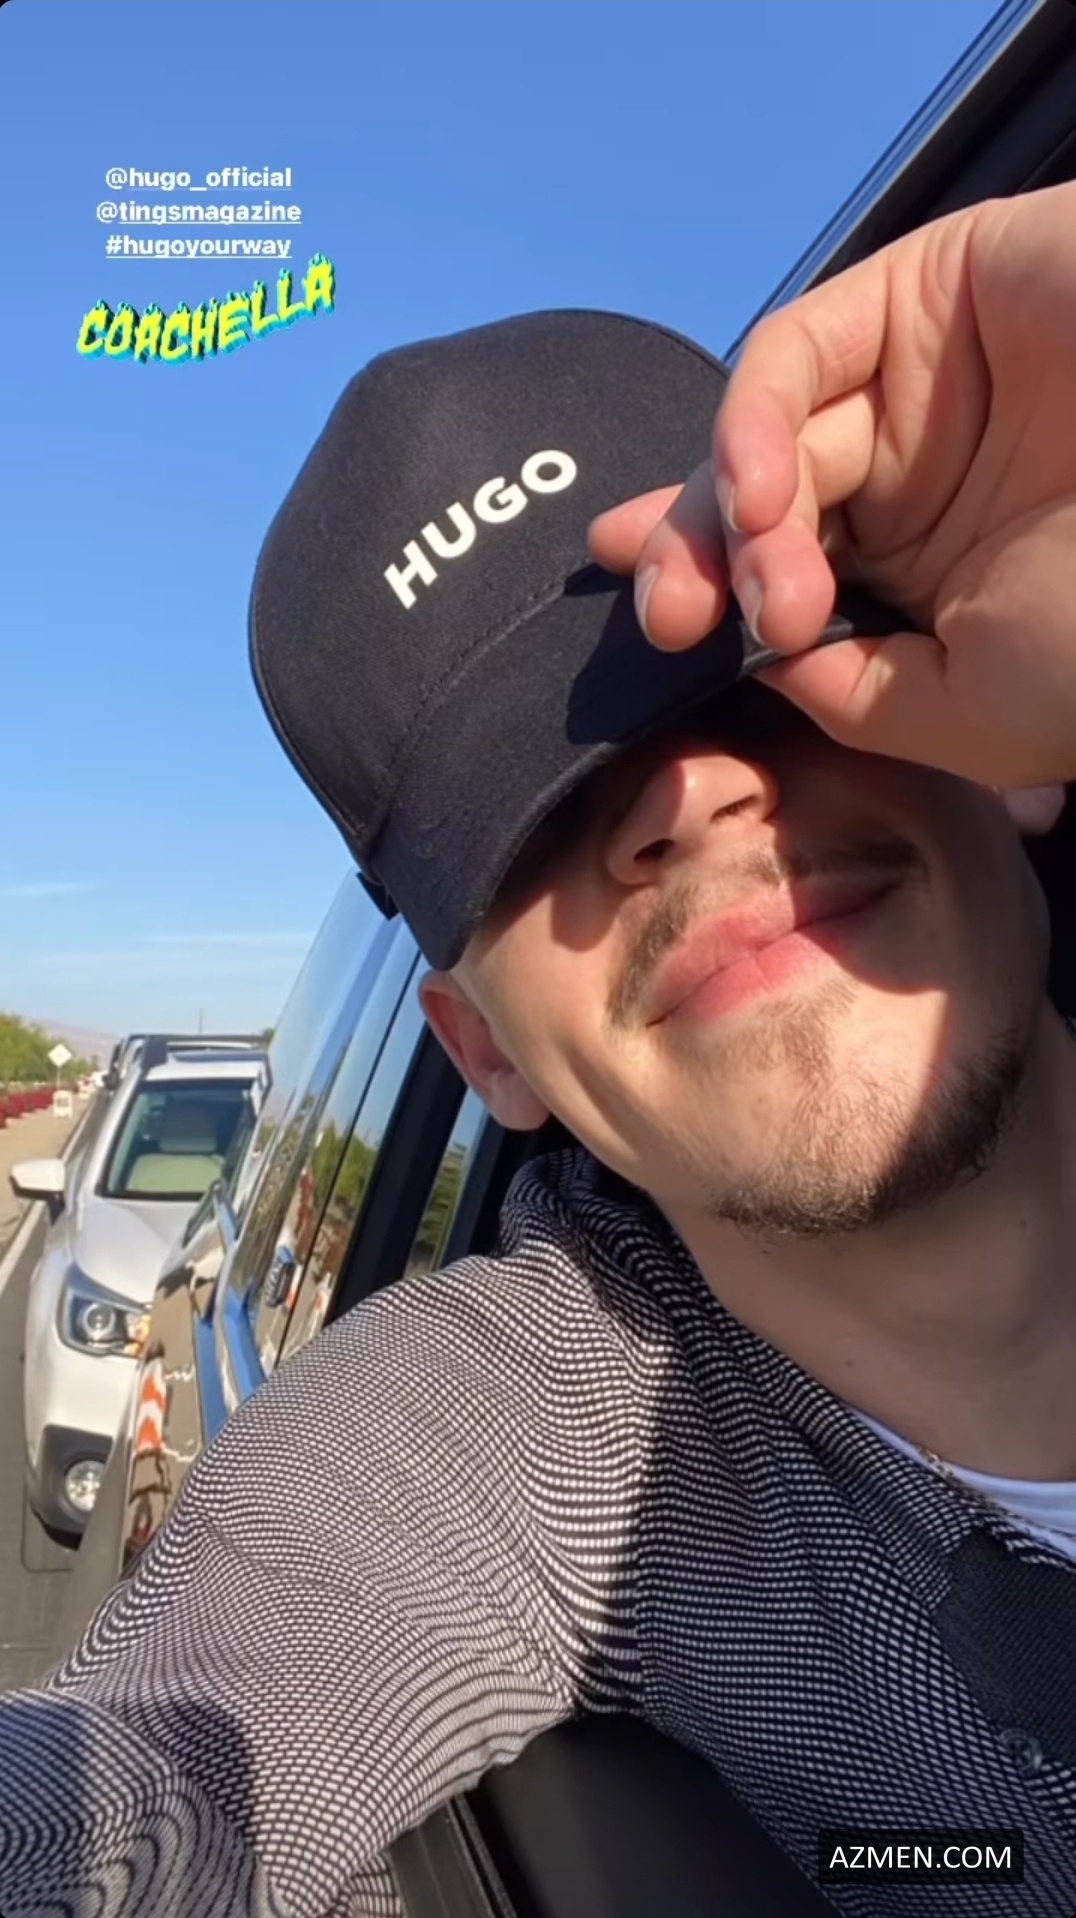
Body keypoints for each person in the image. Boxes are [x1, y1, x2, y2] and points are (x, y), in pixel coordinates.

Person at [2, 183, 1076, 1918]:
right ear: (483, 1051)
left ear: (1013, 750)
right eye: (533, 812)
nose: (685, 795)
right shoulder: (527, 1433)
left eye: (748, 669)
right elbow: (151, 1788)